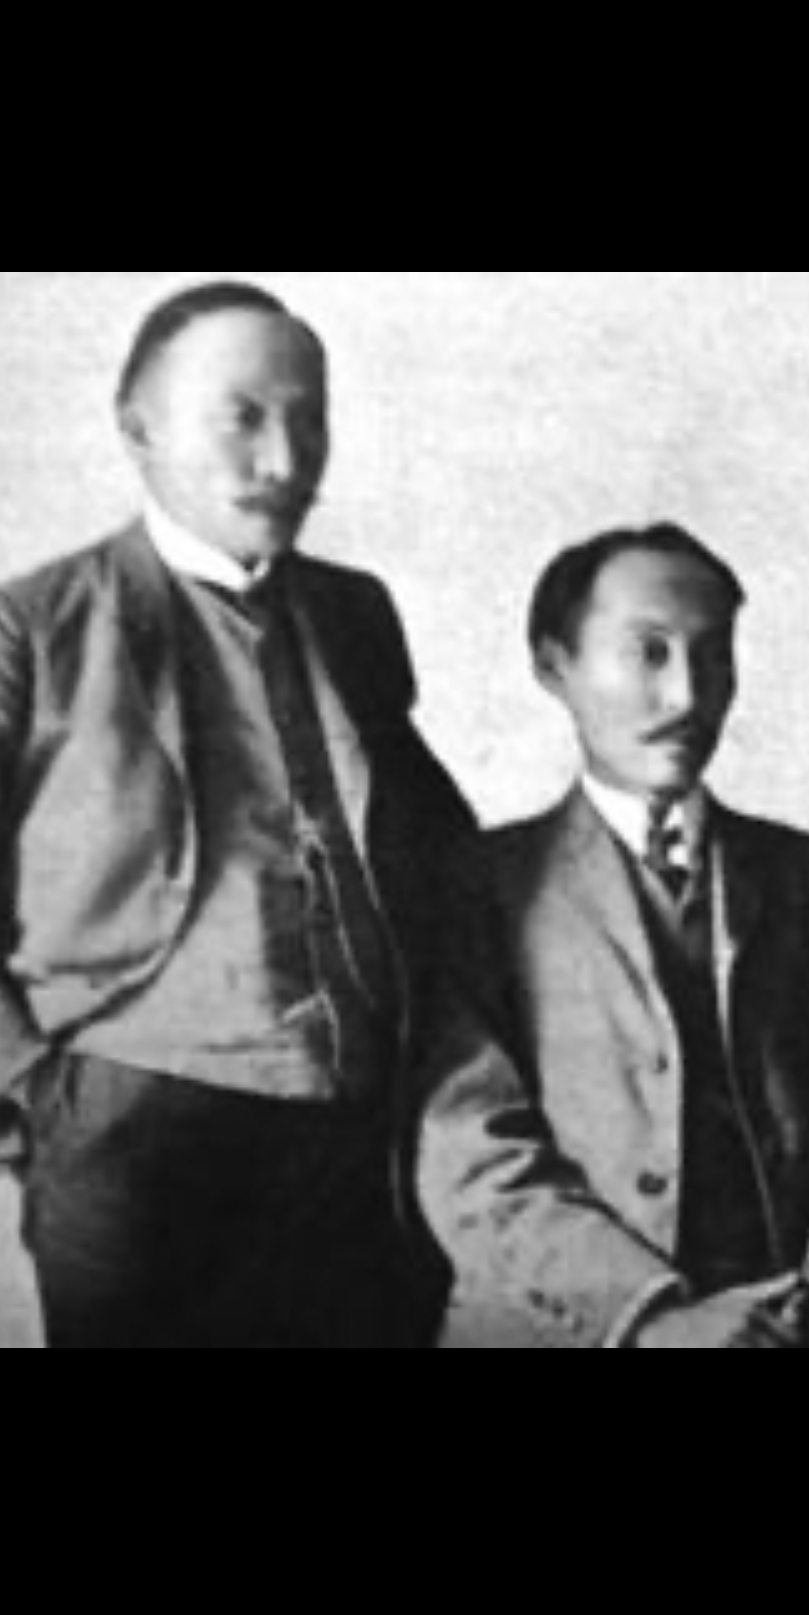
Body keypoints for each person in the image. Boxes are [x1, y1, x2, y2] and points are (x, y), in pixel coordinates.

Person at [0, 281, 474, 1347]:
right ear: (140, 429)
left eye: (310, 420)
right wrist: (34, 1094)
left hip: (359, 1131)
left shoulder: (354, 611)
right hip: (133, 1133)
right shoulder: (34, 625)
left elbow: (428, 843)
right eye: (244, 417)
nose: (286, 458)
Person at [419, 525, 809, 1348]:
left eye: (714, 655)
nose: (689, 696)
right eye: (648, 652)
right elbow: (470, 1154)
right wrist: (654, 1317)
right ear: (554, 665)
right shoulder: (475, 890)